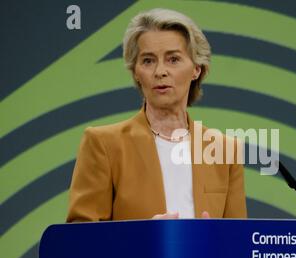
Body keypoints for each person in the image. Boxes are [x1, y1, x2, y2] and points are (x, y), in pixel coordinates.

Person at [66, 8, 247, 222]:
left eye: (173, 59)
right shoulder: (104, 144)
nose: (160, 71)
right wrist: (145, 240)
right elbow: (79, 242)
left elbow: (239, 243)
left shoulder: (225, 150)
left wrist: (215, 240)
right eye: (148, 61)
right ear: (136, 72)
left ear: (196, 69)